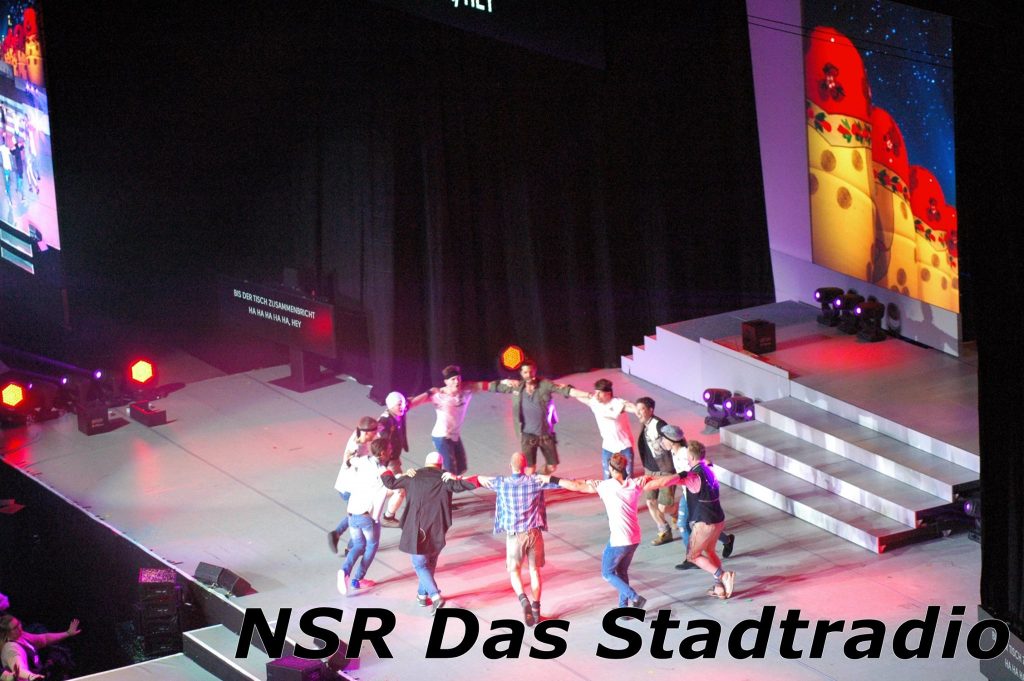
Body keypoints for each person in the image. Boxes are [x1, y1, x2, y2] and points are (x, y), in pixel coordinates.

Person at [544, 453, 683, 610]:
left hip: (619, 540)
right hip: (634, 538)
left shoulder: (605, 486)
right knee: (621, 571)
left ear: (610, 468)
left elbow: (576, 485)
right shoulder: (635, 483)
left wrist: (551, 479)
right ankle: (623, 608)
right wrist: (681, 476)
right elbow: (662, 481)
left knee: (607, 573)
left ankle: (635, 598)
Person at [380, 451, 477, 614]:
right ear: (440, 465)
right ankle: (422, 595)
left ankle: (435, 595)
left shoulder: (413, 476)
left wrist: (384, 469)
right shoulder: (446, 478)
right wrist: (463, 478)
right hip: (438, 529)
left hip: (418, 529)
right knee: (430, 563)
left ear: (426, 463)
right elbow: (465, 484)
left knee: (419, 564)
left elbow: (390, 483)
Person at [471, 452, 561, 626]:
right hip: (534, 533)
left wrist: (455, 477)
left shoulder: (501, 483)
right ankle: (536, 610)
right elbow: (560, 483)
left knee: (514, 572)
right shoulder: (535, 481)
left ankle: (523, 600)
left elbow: (479, 480)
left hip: (514, 536)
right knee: (534, 571)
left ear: (510, 466)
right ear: (525, 466)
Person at [489, 359, 590, 474]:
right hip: (527, 436)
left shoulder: (545, 385)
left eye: (531, 372)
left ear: (535, 371)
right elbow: (492, 387)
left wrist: (589, 395)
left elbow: (566, 391)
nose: (529, 375)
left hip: (545, 435)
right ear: (521, 373)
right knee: (530, 468)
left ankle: (536, 480)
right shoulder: (517, 387)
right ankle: (531, 483)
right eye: (525, 372)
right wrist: (505, 381)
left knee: (552, 466)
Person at [659, 425, 735, 570]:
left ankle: (693, 557)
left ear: (672, 440)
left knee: (686, 524)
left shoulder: (684, 452)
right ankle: (726, 540)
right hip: (688, 494)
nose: (662, 441)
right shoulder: (674, 453)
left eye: (663, 438)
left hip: (695, 496)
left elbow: (704, 462)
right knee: (697, 526)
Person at [672, 436, 736, 599]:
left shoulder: (695, 474)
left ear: (691, 456)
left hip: (705, 520)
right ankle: (719, 587)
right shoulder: (708, 469)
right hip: (718, 518)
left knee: (693, 556)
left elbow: (676, 480)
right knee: (710, 551)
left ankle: (723, 576)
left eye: (688, 455)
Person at [409, 365, 489, 476]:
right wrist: (406, 404)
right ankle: (442, 485)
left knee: (461, 468)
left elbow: (487, 385)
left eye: (458, 378)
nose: (456, 381)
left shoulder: (466, 390)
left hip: (455, 436)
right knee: (449, 471)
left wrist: (506, 384)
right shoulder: (438, 395)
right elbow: (415, 402)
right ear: (446, 382)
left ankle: (452, 483)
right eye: (453, 379)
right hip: (441, 437)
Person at [337, 439, 390, 595]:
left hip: (352, 512)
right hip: (366, 516)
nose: (391, 451)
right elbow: (384, 493)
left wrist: (349, 456)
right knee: (372, 545)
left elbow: (349, 460)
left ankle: (344, 571)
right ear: (383, 453)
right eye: (389, 449)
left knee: (358, 545)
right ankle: (358, 578)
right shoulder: (381, 472)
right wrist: (376, 518)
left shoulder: (362, 460)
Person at [329, 416, 379, 554]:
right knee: (362, 515)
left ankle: (339, 536)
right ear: (366, 432)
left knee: (358, 514)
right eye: (374, 433)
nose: (375, 435)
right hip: (349, 487)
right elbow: (350, 463)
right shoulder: (355, 447)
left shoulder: (359, 434)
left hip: (351, 486)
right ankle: (352, 547)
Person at [633, 397, 677, 546]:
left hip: (665, 472)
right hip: (650, 471)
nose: (638, 413)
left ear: (651, 410)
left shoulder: (659, 425)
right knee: (651, 502)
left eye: (641, 410)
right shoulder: (645, 424)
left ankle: (677, 513)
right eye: (637, 410)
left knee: (664, 506)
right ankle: (664, 531)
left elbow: (675, 439)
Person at [574, 378, 638, 478]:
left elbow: (631, 407)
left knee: (627, 478)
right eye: (596, 392)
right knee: (607, 478)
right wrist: (567, 389)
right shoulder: (594, 402)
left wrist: (637, 410)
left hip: (624, 447)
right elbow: (577, 395)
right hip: (607, 447)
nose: (596, 396)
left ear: (608, 393)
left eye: (599, 393)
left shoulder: (617, 403)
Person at [1, 614, 80, 681]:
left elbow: (44, 639)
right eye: (15, 628)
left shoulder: (21, 636)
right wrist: (31, 676)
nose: (19, 627)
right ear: (6, 633)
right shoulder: (10, 648)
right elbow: (20, 668)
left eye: (18, 623)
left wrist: (68, 633)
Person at [378, 391, 410, 527]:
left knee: (401, 486)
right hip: (388, 461)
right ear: (390, 406)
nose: (402, 406)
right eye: (399, 404)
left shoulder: (399, 413)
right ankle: (388, 517)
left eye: (403, 403)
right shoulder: (384, 421)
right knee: (401, 488)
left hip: (394, 458)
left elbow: (413, 401)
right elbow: (381, 437)